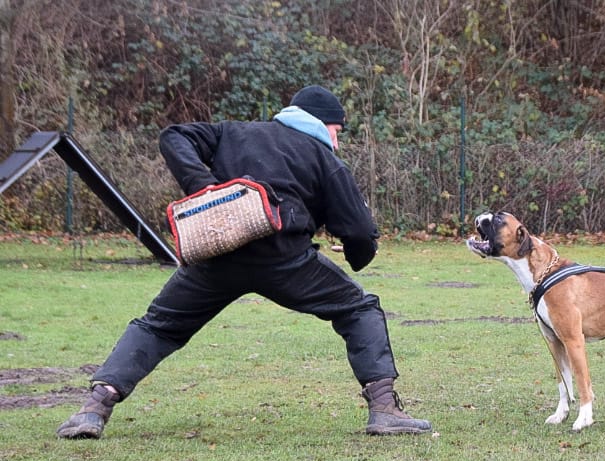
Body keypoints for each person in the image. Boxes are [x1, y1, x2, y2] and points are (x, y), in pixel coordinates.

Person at [56, 85, 431, 438]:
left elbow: (174, 135)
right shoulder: (324, 159)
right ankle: (384, 408)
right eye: (338, 130)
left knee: (159, 326)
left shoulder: (232, 132)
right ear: (323, 123)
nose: (338, 140)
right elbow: (359, 230)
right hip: (286, 261)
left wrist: (203, 186)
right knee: (359, 309)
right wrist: (359, 255)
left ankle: (94, 407)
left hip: (219, 256)